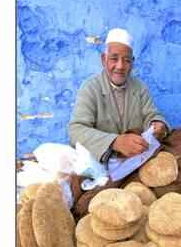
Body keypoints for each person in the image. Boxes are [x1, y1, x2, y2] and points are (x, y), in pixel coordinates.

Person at [68, 28, 170, 164]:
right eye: (114, 59)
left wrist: (157, 124)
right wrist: (114, 142)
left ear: (132, 62)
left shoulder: (140, 87)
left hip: (136, 161)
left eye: (126, 60)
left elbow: (151, 115)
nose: (120, 66)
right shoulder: (90, 89)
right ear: (104, 59)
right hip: (104, 166)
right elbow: (76, 131)